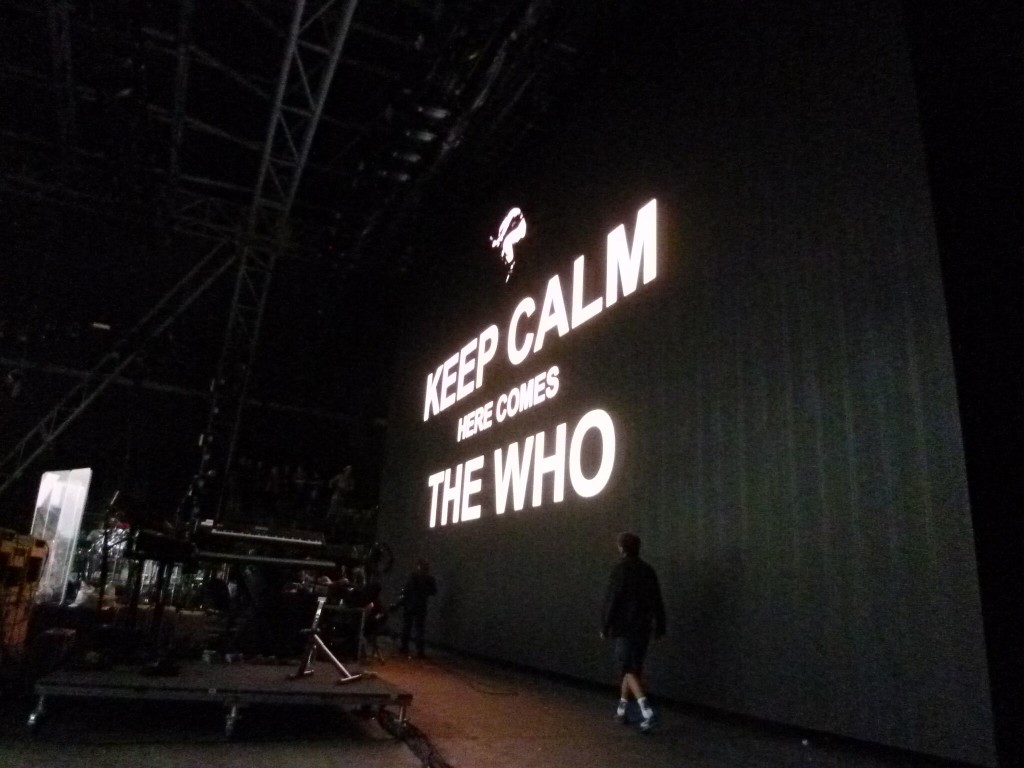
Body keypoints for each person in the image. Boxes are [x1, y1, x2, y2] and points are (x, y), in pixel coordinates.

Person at [600, 531, 666, 733]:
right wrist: (660, 625)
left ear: (621, 548)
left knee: (626, 670)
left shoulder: (620, 570)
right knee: (632, 669)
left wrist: (605, 626)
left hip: (625, 628)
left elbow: (613, 599)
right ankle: (622, 710)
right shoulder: (648, 570)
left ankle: (647, 712)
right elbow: (657, 599)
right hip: (643, 628)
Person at [397, 559, 437, 658]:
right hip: (420, 606)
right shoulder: (429, 579)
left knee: (408, 627)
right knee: (419, 629)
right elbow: (433, 591)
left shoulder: (413, 577)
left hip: (411, 605)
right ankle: (419, 651)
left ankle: (405, 647)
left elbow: (406, 590)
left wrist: (401, 601)